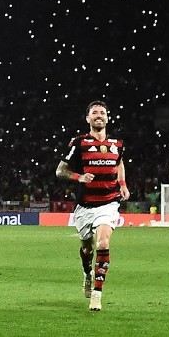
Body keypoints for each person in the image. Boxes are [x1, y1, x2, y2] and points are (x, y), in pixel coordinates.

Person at [55, 101, 127, 312]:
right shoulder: (78, 143)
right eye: (94, 113)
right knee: (87, 248)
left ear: (107, 118)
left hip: (109, 202)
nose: (99, 116)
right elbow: (60, 170)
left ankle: (97, 294)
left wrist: (122, 184)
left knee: (103, 244)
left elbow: (120, 163)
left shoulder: (117, 144)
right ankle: (87, 273)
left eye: (102, 113)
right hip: (85, 206)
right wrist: (79, 177)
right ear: (88, 118)